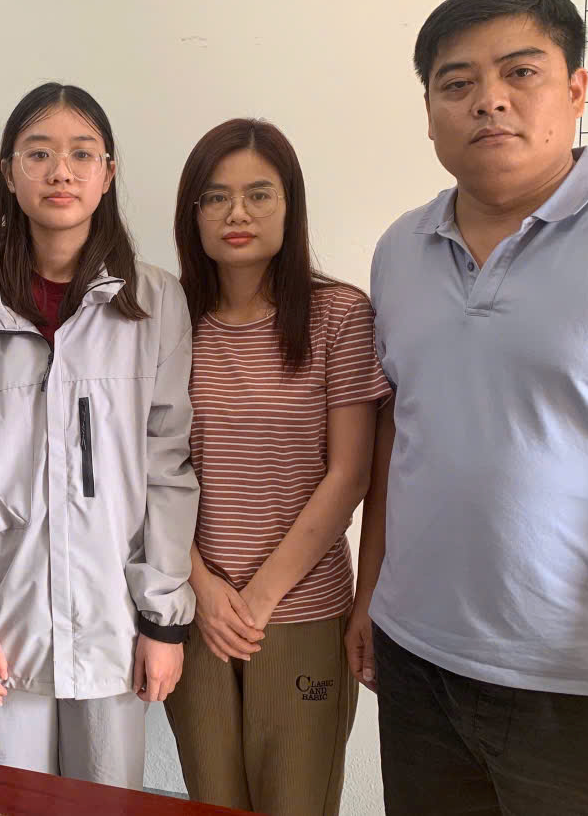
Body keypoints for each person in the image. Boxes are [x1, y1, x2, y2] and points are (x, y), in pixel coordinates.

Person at [345, 0, 588, 815]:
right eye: (456, 83)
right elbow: (399, 435)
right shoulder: (400, 250)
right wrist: (371, 594)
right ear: (430, 113)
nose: (488, 100)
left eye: (520, 73)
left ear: (576, 89)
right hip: (417, 664)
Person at [0, 82, 198, 789]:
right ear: (9, 173)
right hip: (5, 615)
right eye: (38, 153)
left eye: (81, 154)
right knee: (13, 796)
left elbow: (167, 463)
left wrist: (162, 620)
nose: (60, 171)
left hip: (114, 613)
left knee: (109, 795)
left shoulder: (153, 301)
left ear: (108, 172)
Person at [163, 118, 389, 813]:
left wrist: (258, 598)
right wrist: (201, 585)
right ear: (192, 213)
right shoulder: (167, 320)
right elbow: (148, 468)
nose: (237, 213)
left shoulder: (338, 315)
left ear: (290, 205)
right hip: (195, 606)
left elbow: (350, 474)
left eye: (259, 194)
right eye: (215, 196)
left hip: (302, 610)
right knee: (211, 801)